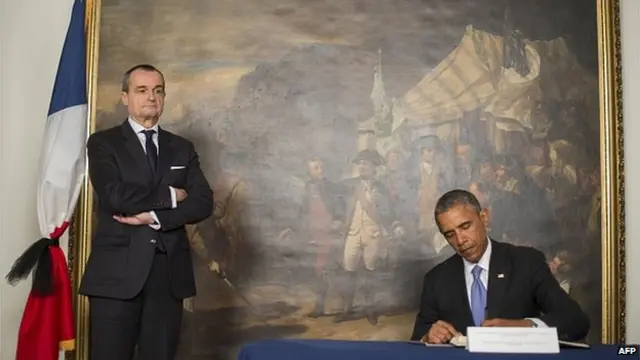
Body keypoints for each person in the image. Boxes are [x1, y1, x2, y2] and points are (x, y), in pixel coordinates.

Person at [78, 64, 214, 360]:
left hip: (168, 278)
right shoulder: (103, 143)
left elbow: (203, 202)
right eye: (142, 90)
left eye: (158, 90)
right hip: (115, 277)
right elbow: (115, 196)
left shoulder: (182, 148)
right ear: (125, 97)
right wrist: (170, 196)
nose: (151, 97)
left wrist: (155, 216)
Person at [410, 189, 589, 344]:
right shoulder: (437, 279)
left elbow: (575, 321)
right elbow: (417, 340)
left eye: (465, 226)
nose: (460, 240)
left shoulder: (526, 262)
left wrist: (526, 327)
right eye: (450, 234)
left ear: (484, 218)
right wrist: (428, 336)